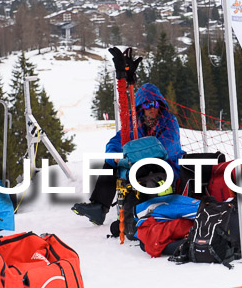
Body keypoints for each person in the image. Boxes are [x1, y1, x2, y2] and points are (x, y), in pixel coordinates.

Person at [72, 83, 184, 225]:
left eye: (154, 104)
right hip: (140, 164)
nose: (151, 109)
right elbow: (114, 143)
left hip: (167, 164)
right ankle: (99, 207)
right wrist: (117, 157)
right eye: (146, 105)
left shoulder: (169, 121)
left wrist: (132, 157)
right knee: (110, 162)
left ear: (160, 104)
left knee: (140, 170)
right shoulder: (134, 124)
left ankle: (137, 213)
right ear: (140, 107)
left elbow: (167, 149)